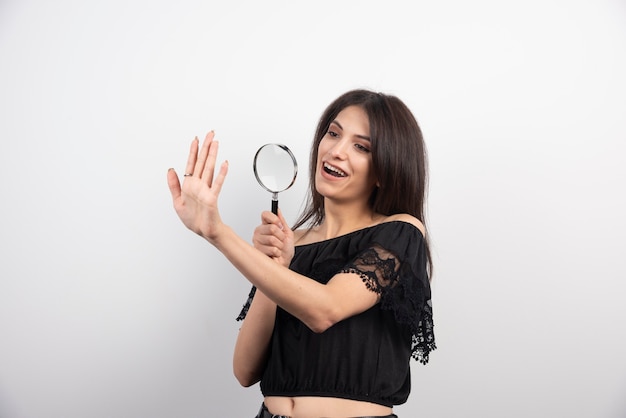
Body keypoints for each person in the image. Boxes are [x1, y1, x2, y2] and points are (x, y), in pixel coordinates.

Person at [167, 89, 436, 418]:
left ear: (385, 168)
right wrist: (277, 266)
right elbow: (245, 370)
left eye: (361, 146)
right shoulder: (293, 242)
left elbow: (325, 309)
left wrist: (217, 232)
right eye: (333, 133)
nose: (336, 151)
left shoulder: (401, 232)